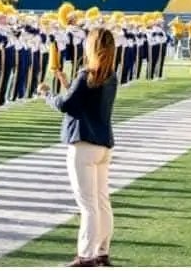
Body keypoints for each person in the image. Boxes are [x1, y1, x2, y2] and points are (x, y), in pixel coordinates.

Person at [39, 27, 118, 268]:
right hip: (103, 145)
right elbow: (82, 102)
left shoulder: (86, 75)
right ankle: (102, 251)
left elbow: (65, 105)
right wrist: (67, 83)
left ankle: (86, 255)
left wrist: (47, 94)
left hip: (83, 144)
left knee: (88, 205)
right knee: (102, 201)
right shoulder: (110, 75)